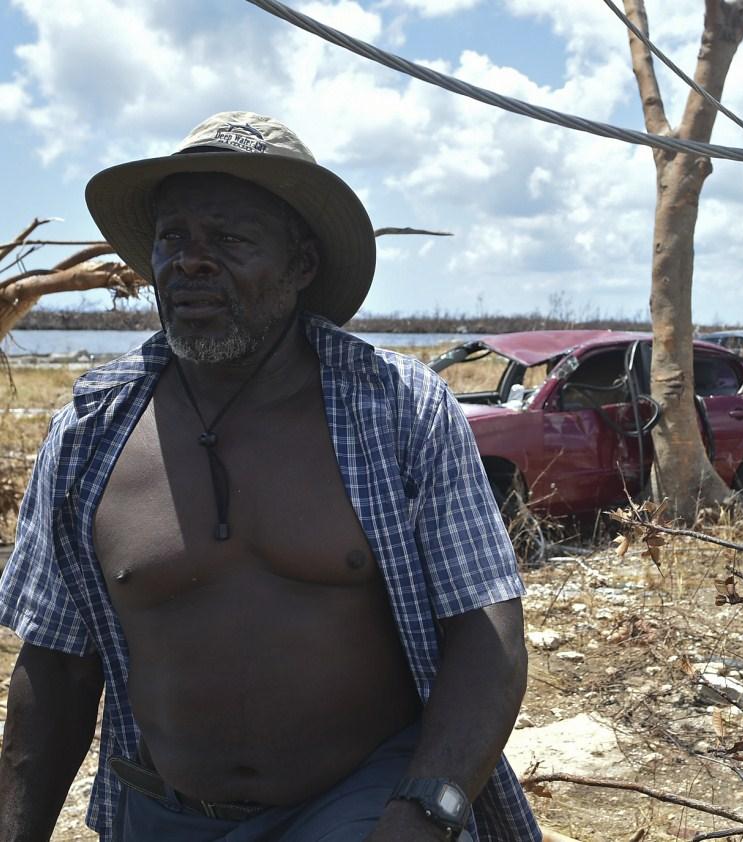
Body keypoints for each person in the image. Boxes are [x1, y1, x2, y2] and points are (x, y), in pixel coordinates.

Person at [0, 112, 540, 842]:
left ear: (301, 265)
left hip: (360, 800)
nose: (190, 262)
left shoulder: (398, 412)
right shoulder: (92, 433)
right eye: (172, 239)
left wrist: (425, 812)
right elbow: (56, 668)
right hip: (162, 809)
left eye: (228, 239)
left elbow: (487, 633)